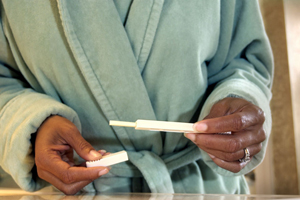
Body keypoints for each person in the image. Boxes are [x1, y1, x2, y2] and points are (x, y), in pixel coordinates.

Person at [0, 0, 273, 195]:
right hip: (77, 190)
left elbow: (244, 60)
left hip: (199, 188)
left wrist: (240, 106)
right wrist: (31, 125)